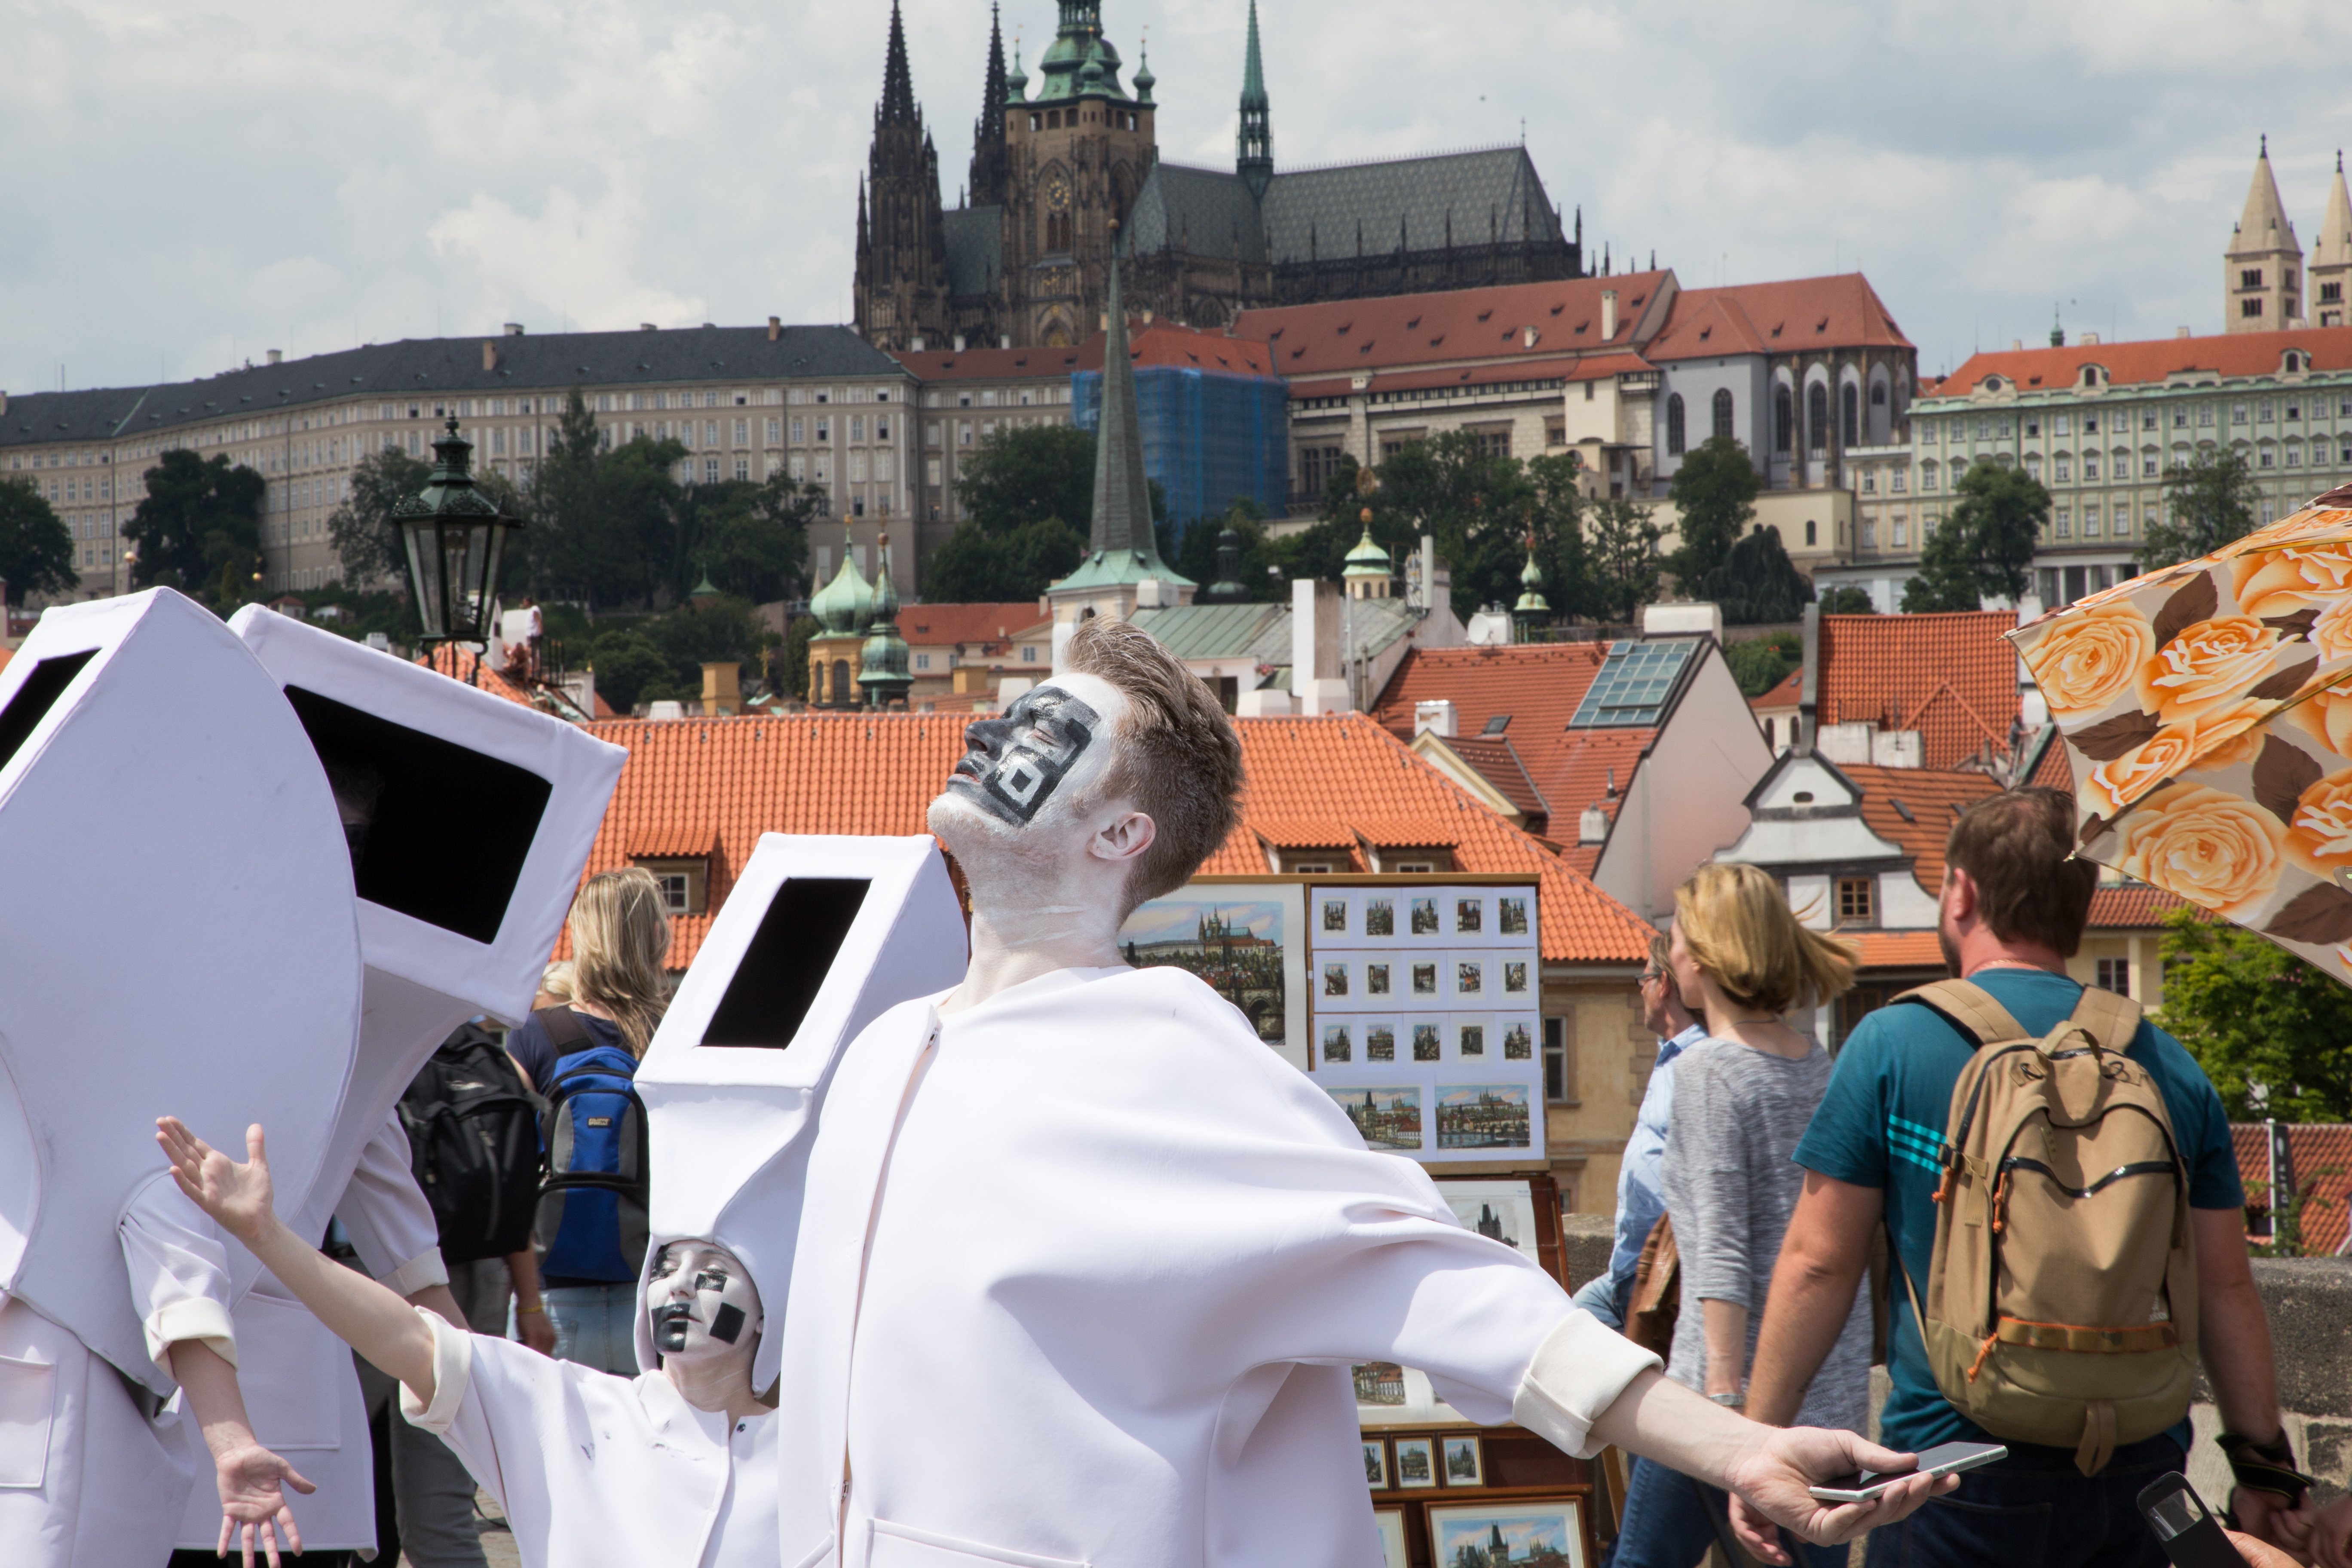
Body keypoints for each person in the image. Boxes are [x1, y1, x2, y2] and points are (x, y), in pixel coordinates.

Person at [758, 618, 1949, 1568]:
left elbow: (1448, 1287)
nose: (996, 730)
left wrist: (1739, 1449)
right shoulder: (881, 1054)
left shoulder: (1173, 1058)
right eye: (1018, 708)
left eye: (1050, 726)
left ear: (1121, 833)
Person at [1738, 788, 2294, 1568]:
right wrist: (2264, 1466)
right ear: (2082, 902)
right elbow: (2226, 1286)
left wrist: (1757, 1444)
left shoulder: (1891, 1043)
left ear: (1961, 891)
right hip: (2141, 1472)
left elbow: (1819, 1262)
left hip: (1952, 1465)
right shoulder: (2166, 1062)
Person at [154, 1119, 778, 1568]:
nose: (679, 1289)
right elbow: (409, 1339)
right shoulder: (570, 1408)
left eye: (713, 1275)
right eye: (666, 1266)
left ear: (767, 1310)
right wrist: (268, 1236)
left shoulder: (821, 1455)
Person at [1609, 863, 1868, 1568]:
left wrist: (1728, 1422)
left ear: (1712, 953)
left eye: (1679, 940)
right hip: (1829, 1395)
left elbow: (1719, 1256)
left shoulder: (1706, 1071)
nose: (1673, 957)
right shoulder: (1818, 1064)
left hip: (1715, 1402)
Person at [501, 868, 669, 1375]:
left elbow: (508, 1177)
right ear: (655, 937)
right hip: (655, 1300)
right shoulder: (680, 1034)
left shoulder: (533, 1035)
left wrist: (527, 1303)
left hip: (553, 1302)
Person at [1572, 933, 1704, 1332]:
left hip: (1661, 1278)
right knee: (1560, 1337)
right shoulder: (1671, 1055)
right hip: (1626, 1269)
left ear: (1663, 985)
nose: (1641, 993)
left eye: (1643, 981)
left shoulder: (1699, 1062)